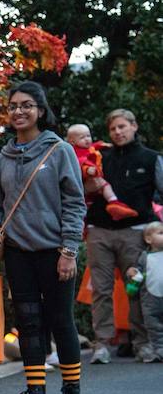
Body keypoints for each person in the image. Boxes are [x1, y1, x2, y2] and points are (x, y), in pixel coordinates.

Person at [0, 81, 87, 394]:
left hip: (55, 251)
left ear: (40, 110)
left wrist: (69, 250)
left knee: (61, 322)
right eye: (13, 106)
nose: (19, 111)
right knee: (28, 323)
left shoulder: (59, 150)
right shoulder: (1, 158)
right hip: (18, 253)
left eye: (27, 105)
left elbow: (74, 203)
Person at [86, 109, 163, 365]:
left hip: (136, 231)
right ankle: (102, 345)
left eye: (122, 127)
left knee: (137, 289)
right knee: (101, 290)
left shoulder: (152, 158)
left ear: (134, 126)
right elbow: (80, 190)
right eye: (113, 129)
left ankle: (143, 343)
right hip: (99, 230)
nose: (117, 132)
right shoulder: (99, 157)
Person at [65, 123, 136, 220]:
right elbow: (80, 162)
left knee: (103, 187)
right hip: (86, 180)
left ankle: (114, 203)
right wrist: (87, 170)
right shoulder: (74, 152)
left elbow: (95, 146)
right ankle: (113, 202)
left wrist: (103, 144)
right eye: (82, 137)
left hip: (94, 183)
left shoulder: (89, 148)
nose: (87, 139)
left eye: (88, 136)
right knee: (103, 185)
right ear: (72, 142)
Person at [125, 222, 163, 362]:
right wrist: (132, 272)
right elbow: (137, 271)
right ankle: (159, 348)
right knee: (153, 325)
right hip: (150, 299)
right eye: (160, 233)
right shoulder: (144, 256)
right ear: (148, 239)